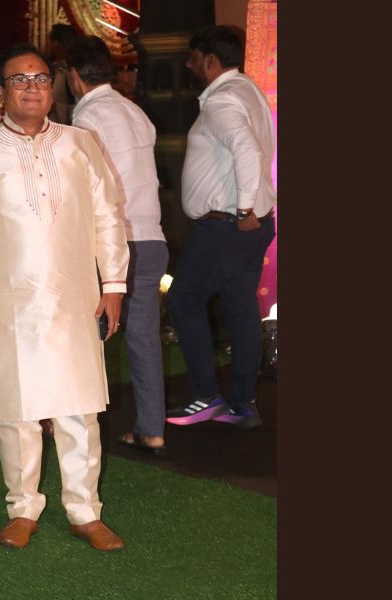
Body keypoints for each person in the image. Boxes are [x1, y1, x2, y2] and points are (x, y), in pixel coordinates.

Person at [0, 43, 129, 551]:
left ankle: (85, 512)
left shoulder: (80, 144)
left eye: (41, 78)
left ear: (53, 88)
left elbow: (107, 216)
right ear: (1, 92)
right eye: (19, 80)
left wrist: (113, 286)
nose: (32, 88)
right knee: (15, 410)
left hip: (74, 299)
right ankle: (22, 508)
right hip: (6, 303)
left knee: (79, 408)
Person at [165, 26, 276, 429]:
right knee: (241, 308)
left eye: (194, 58)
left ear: (211, 61)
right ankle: (242, 403)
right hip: (250, 225)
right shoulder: (248, 91)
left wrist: (243, 208)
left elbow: (246, 150)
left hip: (228, 226)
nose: (190, 65)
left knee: (183, 300)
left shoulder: (223, 99)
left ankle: (206, 397)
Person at [66, 36, 169, 455]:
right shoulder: (134, 111)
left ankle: (77, 424)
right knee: (143, 340)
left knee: (84, 333)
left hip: (111, 242)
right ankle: (152, 429)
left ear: (74, 76)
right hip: (151, 236)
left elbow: (82, 183)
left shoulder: (86, 116)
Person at [46, 23, 81, 124]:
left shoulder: (70, 70)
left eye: (49, 40)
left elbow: (79, 104)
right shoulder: (52, 66)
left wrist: (55, 107)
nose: (47, 44)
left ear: (56, 43)